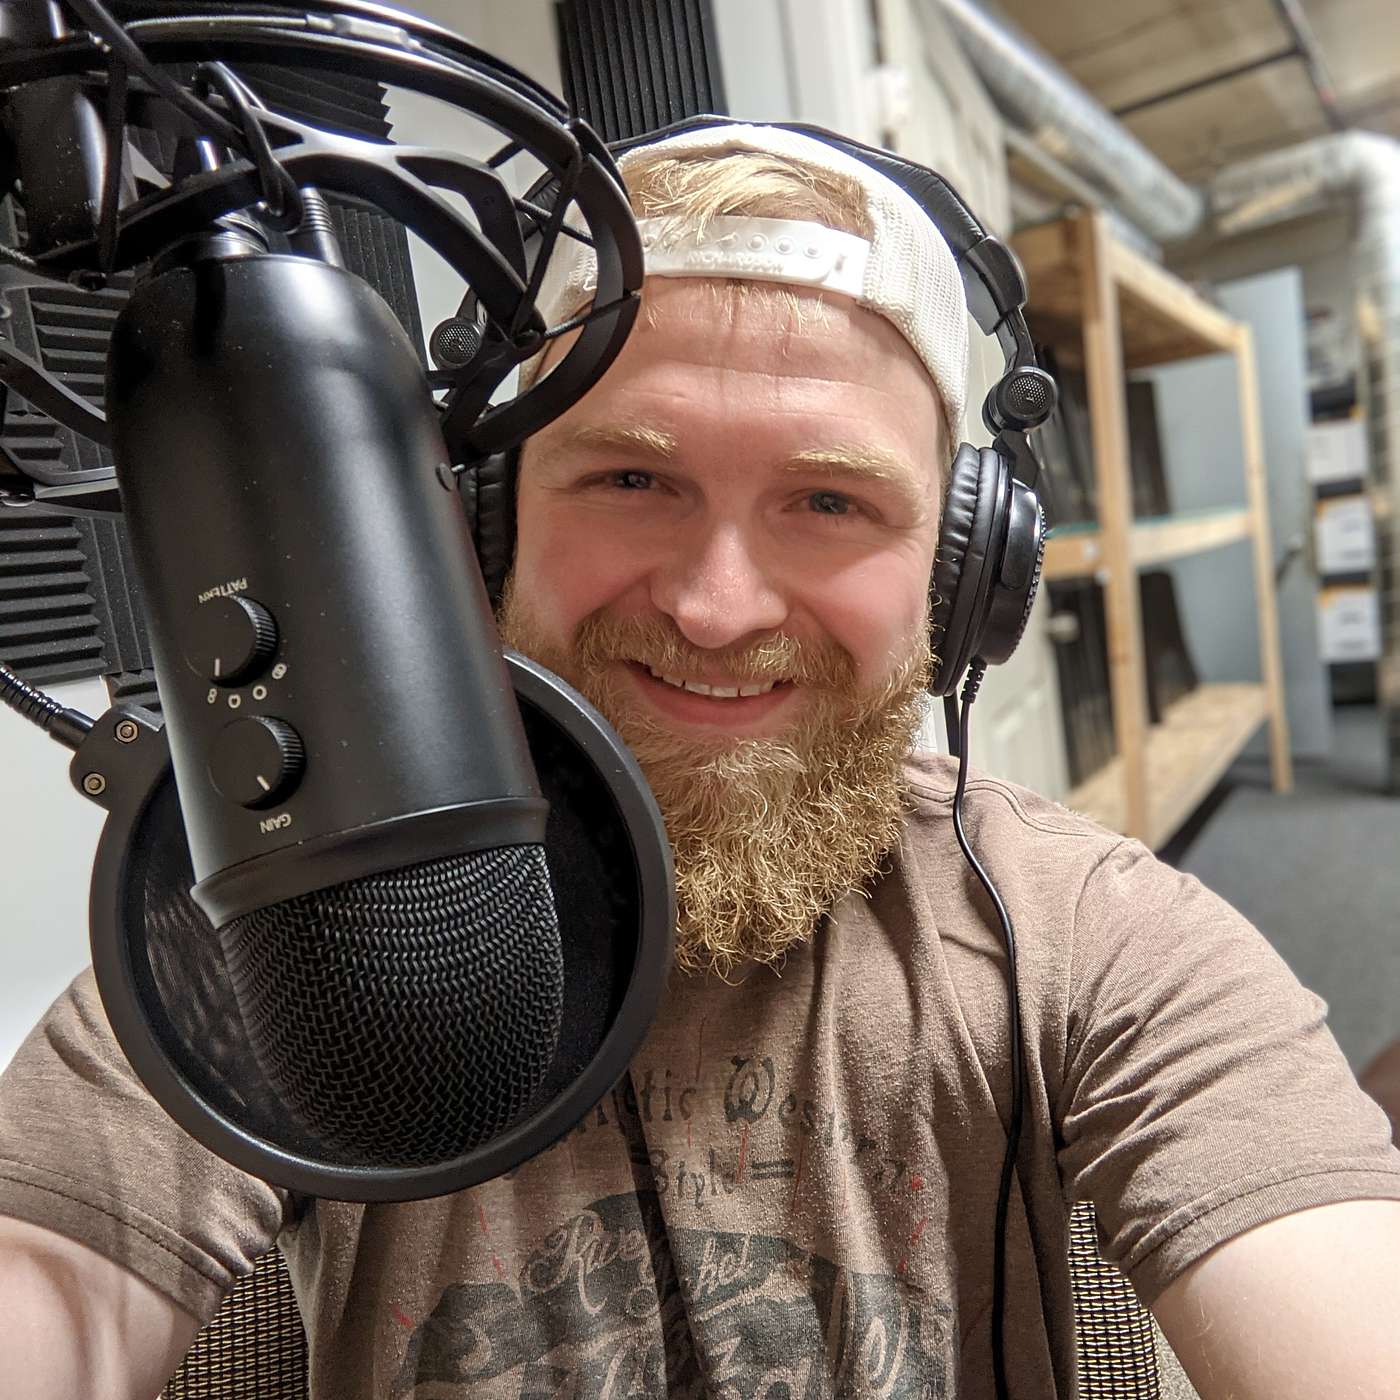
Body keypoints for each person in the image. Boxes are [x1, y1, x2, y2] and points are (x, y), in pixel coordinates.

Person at [2, 119, 1400, 1400]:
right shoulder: (275, 929)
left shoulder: (1094, 937)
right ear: (483, 522)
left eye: (829, 501)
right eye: (632, 478)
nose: (717, 609)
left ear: (960, 574)